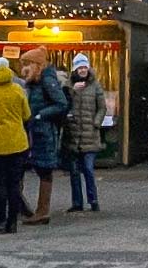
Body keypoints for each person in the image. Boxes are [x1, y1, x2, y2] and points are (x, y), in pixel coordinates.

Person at [0, 56, 32, 233]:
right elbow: (26, 115)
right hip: (17, 143)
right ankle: (12, 222)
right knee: (14, 184)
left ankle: (0, 221)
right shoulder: (18, 89)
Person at [22, 50, 68, 224]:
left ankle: (42, 211)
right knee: (39, 169)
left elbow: (61, 103)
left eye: (27, 64)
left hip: (43, 132)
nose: (24, 68)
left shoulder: (47, 81)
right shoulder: (36, 82)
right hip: (35, 130)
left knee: (44, 170)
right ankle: (33, 209)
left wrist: (41, 115)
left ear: (36, 65)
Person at [61, 54, 106, 213]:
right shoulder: (68, 86)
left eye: (85, 67)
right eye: (80, 67)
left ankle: (93, 200)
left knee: (88, 169)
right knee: (73, 172)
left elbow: (102, 107)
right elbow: (63, 104)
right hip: (73, 134)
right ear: (75, 69)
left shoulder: (95, 86)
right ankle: (77, 202)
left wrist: (96, 122)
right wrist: (72, 91)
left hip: (90, 134)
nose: (83, 70)